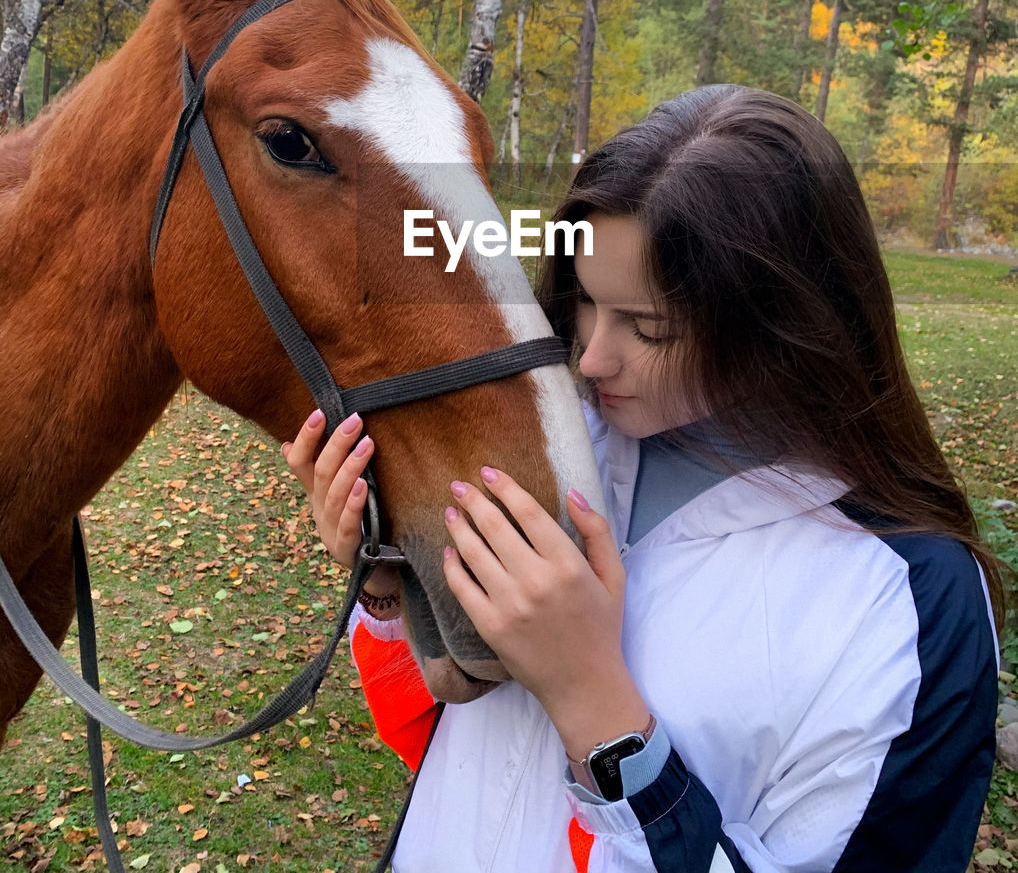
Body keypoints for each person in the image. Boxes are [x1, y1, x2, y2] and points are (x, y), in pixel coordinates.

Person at [283, 84, 1003, 873]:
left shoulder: (910, 601)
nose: (589, 359)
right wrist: (388, 579)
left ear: (785, 323)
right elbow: (439, 733)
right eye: (586, 302)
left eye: (650, 326)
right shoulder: (552, 447)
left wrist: (596, 706)